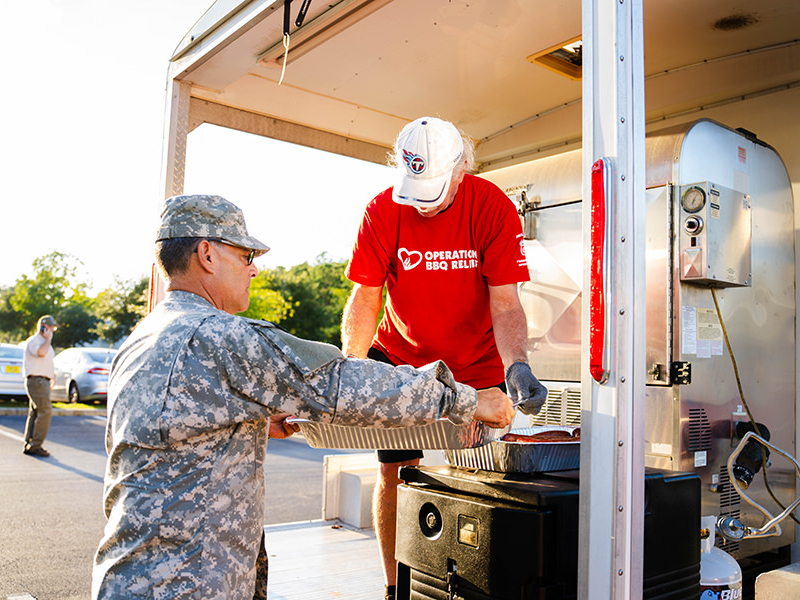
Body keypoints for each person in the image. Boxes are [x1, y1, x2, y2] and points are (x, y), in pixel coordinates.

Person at [91, 194, 513, 600]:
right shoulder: (221, 336)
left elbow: (175, 428)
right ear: (206, 254)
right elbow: (344, 385)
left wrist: (254, 420)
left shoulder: (142, 340)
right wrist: (468, 400)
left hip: (132, 578)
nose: (254, 270)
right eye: (246, 256)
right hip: (188, 586)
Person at [342, 116, 548, 600]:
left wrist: (517, 365)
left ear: (462, 168)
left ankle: (475, 584)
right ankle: (395, 588)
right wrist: (350, 366)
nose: (425, 205)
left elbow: (506, 304)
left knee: (482, 473)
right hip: (401, 362)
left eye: (435, 190)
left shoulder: (493, 207)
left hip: (476, 366)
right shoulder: (382, 210)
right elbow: (366, 297)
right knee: (396, 471)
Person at [22, 314, 58, 457]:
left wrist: (52, 375)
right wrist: (48, 338)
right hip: (37, 381)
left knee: (35, 412)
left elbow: (46, 360)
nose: (52, 331)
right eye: (50, 327)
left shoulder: (44, 342)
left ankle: (30, 443)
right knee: (45, 412)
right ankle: (35, 445)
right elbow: (41, 353)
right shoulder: (35, 341)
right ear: (43, 327)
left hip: (43, 381)